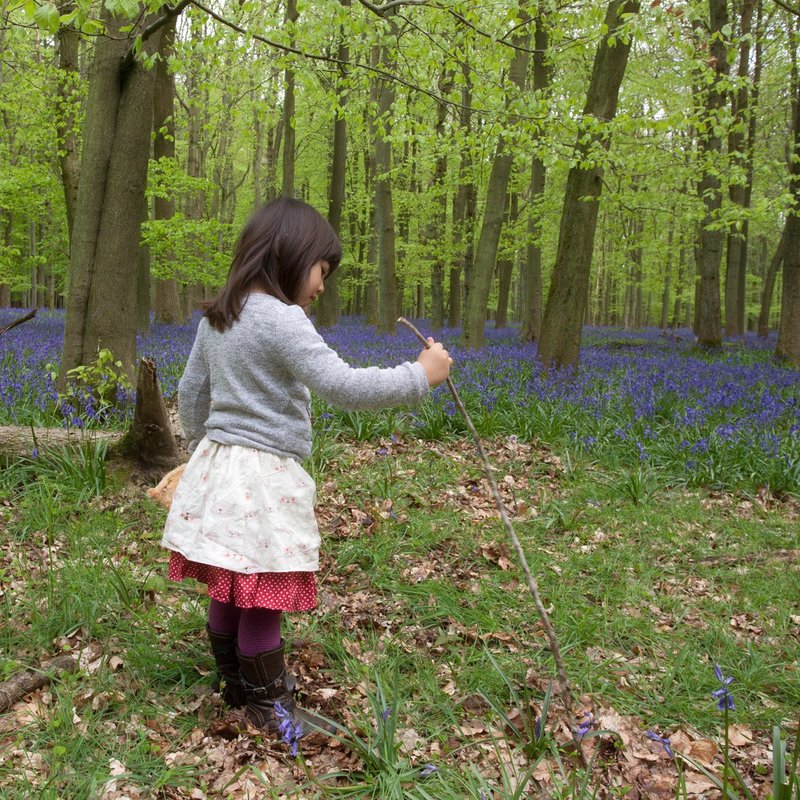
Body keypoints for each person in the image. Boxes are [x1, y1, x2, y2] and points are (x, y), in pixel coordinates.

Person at [160, 197, 451, 740]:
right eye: (321, 270)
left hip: (219, 468)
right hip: (266, 480)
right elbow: (343, 385)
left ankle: (234, 687)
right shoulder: (283, 320)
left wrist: (203, 455)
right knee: (264, 591)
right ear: (289, 256)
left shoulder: (217, 315)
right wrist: (419, 375)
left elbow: (190, 394)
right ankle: (270, 710)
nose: (321, 285)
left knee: (228, 583)